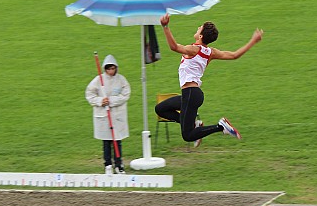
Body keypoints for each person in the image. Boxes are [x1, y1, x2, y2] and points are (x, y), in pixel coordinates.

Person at [155, 13, 263, 147]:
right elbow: (234, 55)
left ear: (200, 36)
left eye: (200, 28)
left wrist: (165, 26)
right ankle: (194, 124)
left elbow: (174, 47)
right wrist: (253, 41)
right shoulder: (210, 52)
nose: (198, 27)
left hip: (190, 94)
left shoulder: (193, 49)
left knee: (187, 135)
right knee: (161, 109)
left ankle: (221, 126)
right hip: (191, 95)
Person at [85, 55, 131, 174]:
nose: (111, 71)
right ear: (105, 69)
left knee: (117, 140)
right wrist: (100, 101)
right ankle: (108, 164)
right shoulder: (98, 80)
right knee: (106, 141)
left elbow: (125, 95)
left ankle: (119, 164)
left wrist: (111, 101)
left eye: (113, 68)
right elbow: (90, 94)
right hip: (104, 116)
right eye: (108, 69)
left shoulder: (121, 80)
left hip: (117, 115)